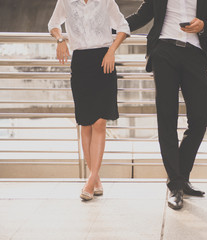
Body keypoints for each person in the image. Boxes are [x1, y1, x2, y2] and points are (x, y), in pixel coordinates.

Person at [126, 0, 207, 210]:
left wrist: (204, 26)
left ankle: (179, 177)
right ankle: (176, 185)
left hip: (195, 55)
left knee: (200, 121)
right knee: (167, 119)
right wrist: (108, 26)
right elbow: (142, 16)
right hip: (164, 52)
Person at [48, 0, 130, 201]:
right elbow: (53, 24)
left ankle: (90, 179)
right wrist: (60, 40)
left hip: (104, 60)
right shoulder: (66, 1)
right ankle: (96, 179)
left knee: (100, 122)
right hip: (81, 62)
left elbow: (123, 27)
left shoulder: (105, 1)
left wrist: (111, 50)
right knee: (85, 123)